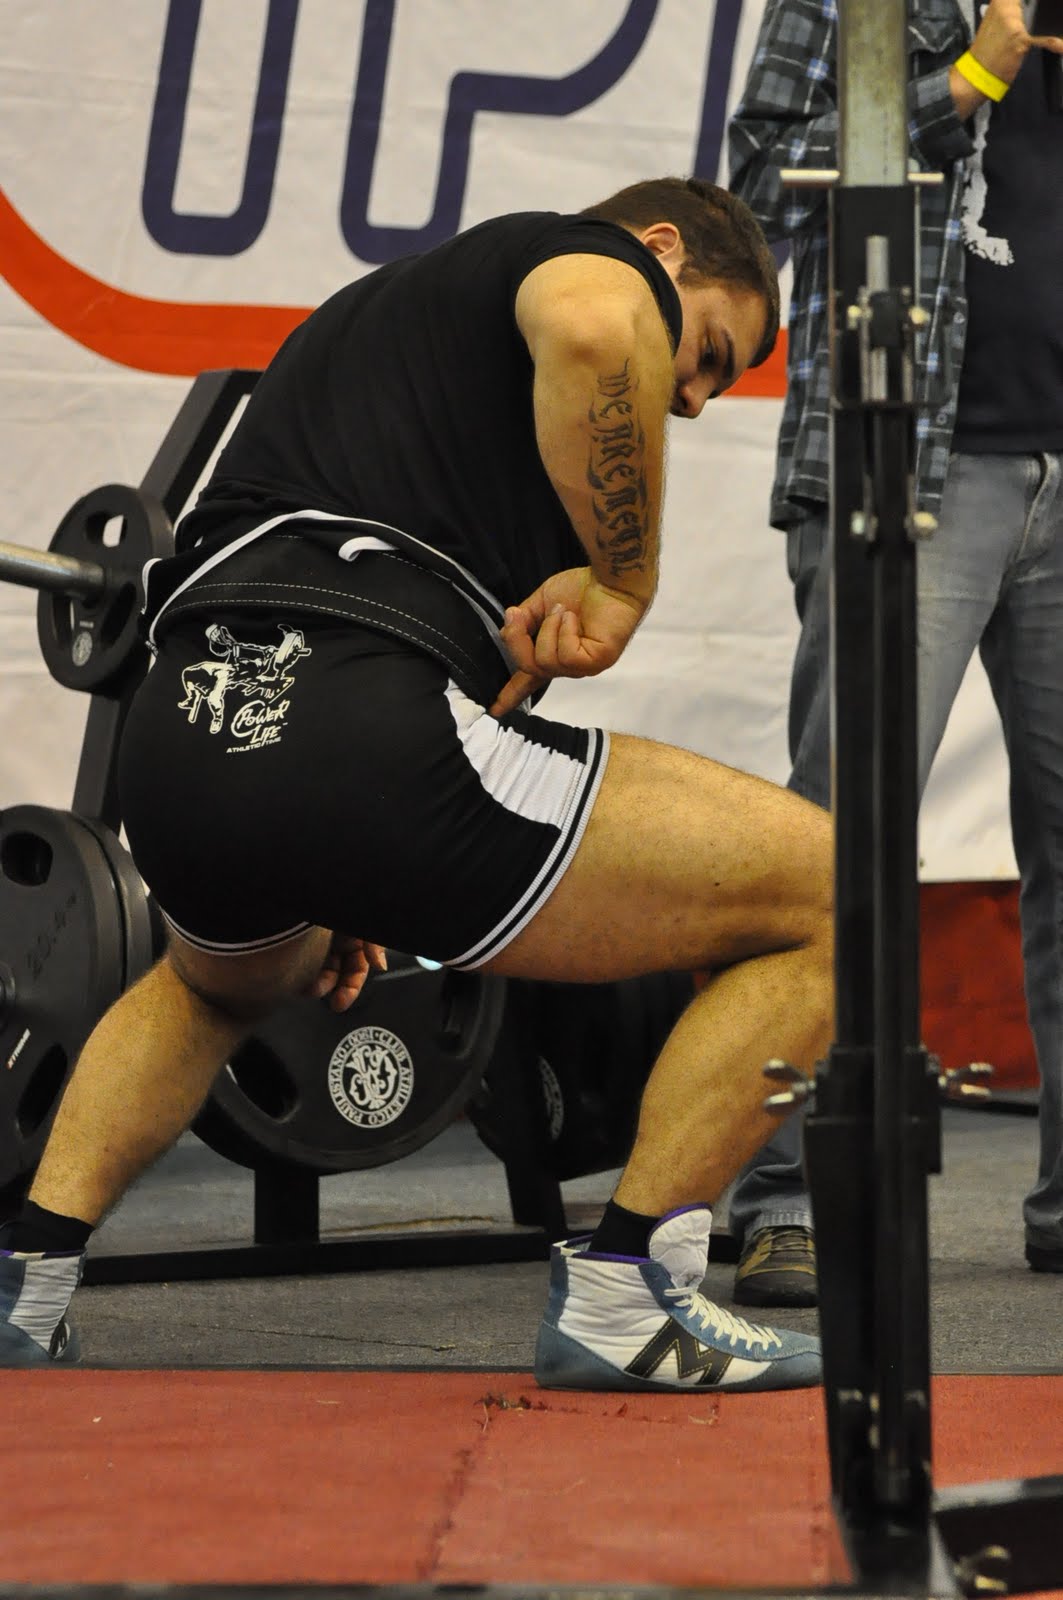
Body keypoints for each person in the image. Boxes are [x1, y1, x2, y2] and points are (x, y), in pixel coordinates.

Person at [0, 177, 832, 1391]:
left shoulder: (379, 325)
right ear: (658, 248)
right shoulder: (582, 265)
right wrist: (627, 577)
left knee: (220, 982)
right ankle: (623, 1292)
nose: (694, 398)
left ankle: (28, 1284)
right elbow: (606, 327)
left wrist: (353, 874)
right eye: (707, 351)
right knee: (833, 898)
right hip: (358, 714)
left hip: (181, 734)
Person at [727, 0, 1063, 1307]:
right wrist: (962, 78)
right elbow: (755, 199)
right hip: (904, 469)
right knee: (836, 843)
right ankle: (778, 1195)